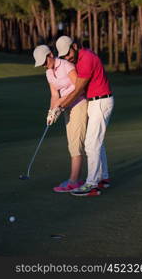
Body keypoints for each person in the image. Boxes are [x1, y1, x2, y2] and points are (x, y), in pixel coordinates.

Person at [53, 36, 114, 197]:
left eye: (68, 53)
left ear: (74, 46)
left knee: (91, 143)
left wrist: (61, 106)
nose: (67, 57)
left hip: (100, 101)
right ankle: (103, 178)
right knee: (97, 142)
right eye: (64, 56)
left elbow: (78, 89)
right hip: (96, 102)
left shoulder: (86, 59)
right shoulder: (80, 57)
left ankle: (92, 184)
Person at [33, 45, 88, 192]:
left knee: (76, 143)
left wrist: (59, 104)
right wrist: (51, 112)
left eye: (45, 62)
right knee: (71, 143)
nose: (44, 65)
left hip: (79, 104)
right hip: (66, 107)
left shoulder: (66, 65)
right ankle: (74, 179)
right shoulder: (49, 73)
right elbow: (54, 95)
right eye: (42, 64)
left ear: (50, 54)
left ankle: (74, 181)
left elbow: (78, 87)